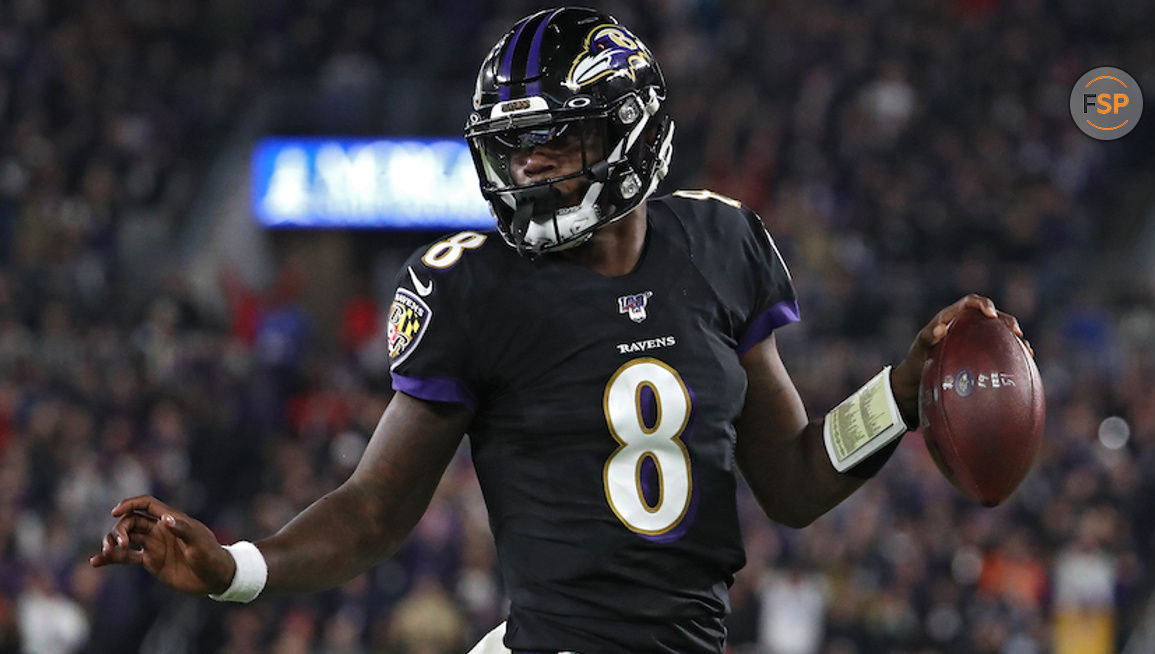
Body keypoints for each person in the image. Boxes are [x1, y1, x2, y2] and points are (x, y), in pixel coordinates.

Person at [91, 8, 1026, 653]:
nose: (530, 167)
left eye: (557, 139)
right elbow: (376, 507)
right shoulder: (477, 287)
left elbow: (787, 477)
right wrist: (238, 570)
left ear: (630, 134)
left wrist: (899, 396)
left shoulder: (719, 244)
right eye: (514, 144)